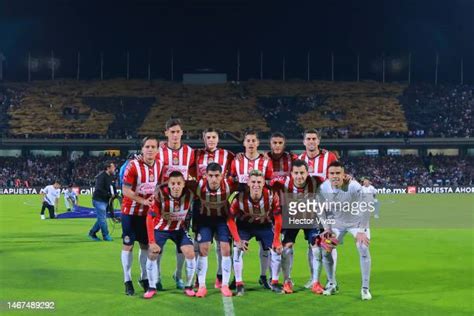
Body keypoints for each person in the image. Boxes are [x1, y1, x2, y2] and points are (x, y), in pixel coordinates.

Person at [270, 160, 330, 294]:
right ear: (291, 173)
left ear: (307, 172)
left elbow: (333, 181)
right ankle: (287, 281)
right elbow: (266, 183)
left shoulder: (316, 181)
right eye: (296, 173)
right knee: (286, 248)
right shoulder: (282, 182)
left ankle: (315, 282)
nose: (299, 176)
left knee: (316, 248)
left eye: (302, 173)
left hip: (310, 218)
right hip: (291, 218)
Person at [320, 161, 372, 300]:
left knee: (363, 248)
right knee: (326, 250)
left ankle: (365, 288)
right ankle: (332, 284)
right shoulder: (324, 187)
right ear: (328, 175)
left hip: (357, 223)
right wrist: (327, 229)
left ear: (344, 175)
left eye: (338, 173)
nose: (335, 176)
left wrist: (361, 230)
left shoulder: (353, 186)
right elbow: (321, 210)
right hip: (337, 224)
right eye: (332, 173)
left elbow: (367, 206)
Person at [227, 170, 283, 296]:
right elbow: (230, 219)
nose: (256, 185)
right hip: (244, 226)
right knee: (237, 250)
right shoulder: (239, 198)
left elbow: (278, 217)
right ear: (248, 182)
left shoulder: (271, 196)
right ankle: (239, 284)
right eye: (253, 182)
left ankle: (273, 282)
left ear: (263, 183)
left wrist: (276, 239)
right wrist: (237, 240)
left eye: (259, 182)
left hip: (264, 225)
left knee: (276, 250)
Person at [156, 118, 196, 290]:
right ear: (166, 133)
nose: (175, 135)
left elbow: (193, 174)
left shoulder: (189, 152)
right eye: (171, 132)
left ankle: (178, 275)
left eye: (178, 132)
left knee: (182, 244)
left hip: (183, 205)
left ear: (182, 133)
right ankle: (156, 277)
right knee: (159, 243)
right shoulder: (159, 151)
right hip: (163, 204)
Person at [230, 130, 274, 289]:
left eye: (253, 140)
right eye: (247, 140)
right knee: (238, 246)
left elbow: (269, 182)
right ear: (244, 143)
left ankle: (264, 277)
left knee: (266, 247)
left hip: (262, 211)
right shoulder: (236, 160)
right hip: (242, 212)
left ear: (257, 143)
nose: (250, 143)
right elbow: (233, 180)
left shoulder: (265, 161)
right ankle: (236, 278)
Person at [144, 171, 196, 299]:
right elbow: (149, 218)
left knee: (190, 252)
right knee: (152, 253)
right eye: (173, 184)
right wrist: (151, 241)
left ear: (184, 184)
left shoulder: (190, 193)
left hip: (179, 228)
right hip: (160, 228)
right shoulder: (160, 195)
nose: (176, 187)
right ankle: (151, 287)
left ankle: (188, 286)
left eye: (179, 183)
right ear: (168, 184)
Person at [121, 137, 163, 296]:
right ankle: (127, 280)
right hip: (130, 213)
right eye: (147, 146)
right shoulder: (133, 166)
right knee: (128, 245)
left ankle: (144, 277)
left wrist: (155, 198)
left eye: (153, 147)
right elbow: (126, 191)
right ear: (142, 149)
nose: (150, 149)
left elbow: (158, 185)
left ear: (158, 150)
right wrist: (143, 201)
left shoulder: (160, 164)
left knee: (145, 246)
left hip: (147, 215)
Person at [194, 128, 234, 288]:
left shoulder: (228, 155)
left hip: (221, 204)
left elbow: (242, 162)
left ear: (218, 139)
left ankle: (220, 276)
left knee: (222, 244)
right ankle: (199, 278)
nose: (211, 140)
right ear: (204, 139)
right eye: (208, 137)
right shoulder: (195, 154)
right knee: (200, 246)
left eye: (214, 137)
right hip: (201, 203)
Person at [298, 129, 338, 288]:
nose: (311, 141)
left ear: (318, 141)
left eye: (314, 138)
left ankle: (331, 280)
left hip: (327, 207)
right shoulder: (300, 159)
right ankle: (313, 278)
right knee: (312, 243)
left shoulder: (330, 157)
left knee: (329, 243)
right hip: (308, 207)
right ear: (304, 142)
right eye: (308, 139)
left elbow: (337, 177)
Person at [192, 163, 237, 297]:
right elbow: (180, 183)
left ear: (222, 175)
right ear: (205, 175)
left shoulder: (229, 185)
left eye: (217, 176)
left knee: (226, 249)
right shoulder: (198, 185)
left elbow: (245, 186)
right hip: (204, 219)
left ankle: (225, 285)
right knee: (203, 249)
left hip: (222, 220)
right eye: (210, 176)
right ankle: (201, 285)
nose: (213, 179)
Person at [88, 161, 116, 241]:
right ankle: (105, 235)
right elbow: (99, 189)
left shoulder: (111, 176)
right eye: (113, 167)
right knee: (103, 219)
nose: (114, 168)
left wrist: (115, 193)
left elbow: (112, 186)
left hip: (105, 200)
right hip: (98, 200)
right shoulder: (101, 176)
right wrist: (109, 195)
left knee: (101, 218)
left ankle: (92, 233)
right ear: (108, 168)